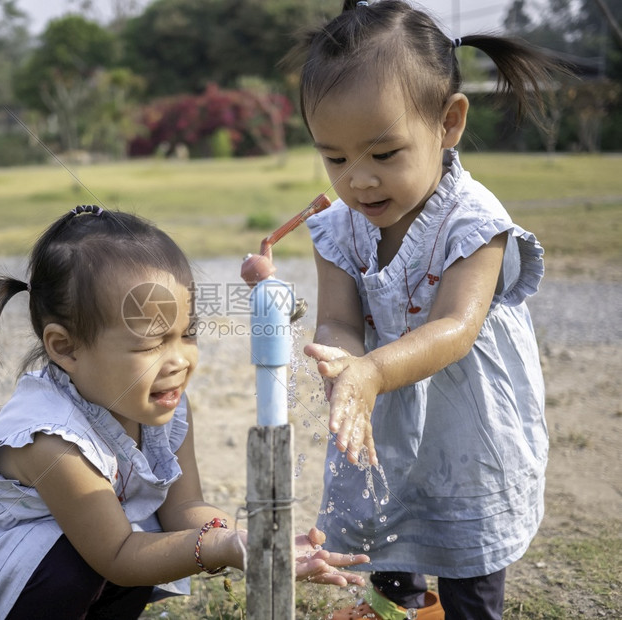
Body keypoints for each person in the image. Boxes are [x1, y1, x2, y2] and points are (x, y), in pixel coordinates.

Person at [241, 1, 565, 618]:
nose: (358, 180)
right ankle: (402, 608)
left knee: (468, 567)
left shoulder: (473, 222)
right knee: (386, 554)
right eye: (335, 158)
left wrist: (372, 374)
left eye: (383, 154)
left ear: (449, 123)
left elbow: (456, 326)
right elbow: (339, 318)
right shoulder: (340, 229)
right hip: (381, 418)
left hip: (467, 427)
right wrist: (343, 361)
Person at [0, 205, 369, 619]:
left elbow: (183, 508)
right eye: (150, 344)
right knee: (108, 555)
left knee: (155, 540)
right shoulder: (51, 440)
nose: (179, 361)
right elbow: (118, 554)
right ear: (65, 348)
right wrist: (224, 548)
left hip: (76, 551)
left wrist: (253, 540)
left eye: (187, 334)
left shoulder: (162, 405)